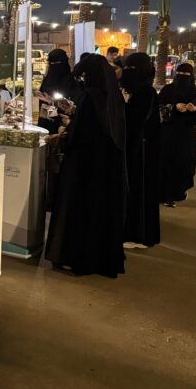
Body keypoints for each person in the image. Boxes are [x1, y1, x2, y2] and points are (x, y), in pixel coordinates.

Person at [45, 53, 128, 277]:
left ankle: (76, 257)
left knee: (78, 211)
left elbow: (82, 133)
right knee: (99, 211)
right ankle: (98, 257)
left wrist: (65, 131)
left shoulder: (91, 97)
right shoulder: (113, 97)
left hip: (83, 166)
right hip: (106, 166)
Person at [121, 52, 161, 248]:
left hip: (142, 151)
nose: (127, 73)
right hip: (134, 149)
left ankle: (139, 235)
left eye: (131, 69)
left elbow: (135, 121)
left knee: (140, 192)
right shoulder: (135, 91)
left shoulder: (146, 92)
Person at [158, 62, 196, 207]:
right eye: (180, 74)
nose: (182, 77)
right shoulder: (167, 90)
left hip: (187, 134)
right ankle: (167, 195)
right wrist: (173, 107)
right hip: (169, 133)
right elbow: (159, 109)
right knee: (168, 162)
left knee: (186, 163)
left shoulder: (195, 92)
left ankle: (180, 191)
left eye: (186, 75)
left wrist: (195, 108)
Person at [38, 48, 78, 134]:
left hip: (64, 123)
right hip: (46, 120)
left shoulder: (70, 81)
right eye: (51, 64)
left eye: (56, 64)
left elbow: (73, 105)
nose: (53, 66)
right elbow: (43, 102)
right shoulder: (48, 79)